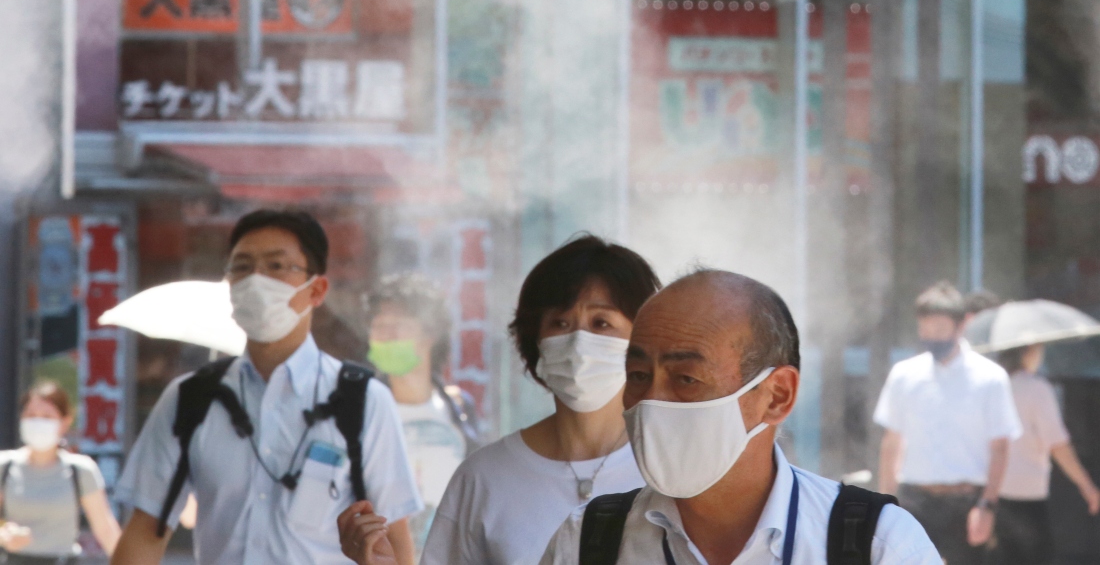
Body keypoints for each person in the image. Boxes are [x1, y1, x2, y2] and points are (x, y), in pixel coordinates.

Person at [540, 269, 940, 564]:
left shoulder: (878, 545)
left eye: (686, 378)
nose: (650, 401)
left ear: (777, 396)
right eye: (638, 375)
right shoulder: (587, 542)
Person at [112, 209, 422, 565]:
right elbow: (145, 533)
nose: (256, 281)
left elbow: (393, 539)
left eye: (276, 266)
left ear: (316, 289)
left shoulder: (364, 401)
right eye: (242, 267)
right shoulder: (189, 399)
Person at [338, 235, 660, 565]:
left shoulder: (667, 470)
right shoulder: (484, 479)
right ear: (535, 340)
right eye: (559, 323)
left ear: (643, 337)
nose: (578, 342)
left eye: (601, 323)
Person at [874, 281, 1022, 564]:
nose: (932, 336)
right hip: (914, 500)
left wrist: (987, 505)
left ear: (961, 325)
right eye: (925, 328)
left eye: (939, 328)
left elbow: (1000, 448)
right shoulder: (904, 375)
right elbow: (891, 443)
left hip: (966, 501)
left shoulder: (990, 378)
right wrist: (886, 503)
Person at [363, 273, 482, 557]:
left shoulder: (458, 408)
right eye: (379, 326)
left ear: (430, 335)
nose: (387, 336)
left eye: (399, 326)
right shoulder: (361, 409)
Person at [990, 343, 1100, 565]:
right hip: (1029, 497)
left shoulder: (991, 387)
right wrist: (1087, 486)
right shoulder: (1036, 388)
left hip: (989, 496)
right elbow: (1057, 445)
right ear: (1029, 351)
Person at [0, 382, 122, 564]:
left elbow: (106, 529)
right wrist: (4, 533)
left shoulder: (80, 470)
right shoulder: (5, 465)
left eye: (47, 417)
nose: (38, 423)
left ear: (65, 421)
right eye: (31, 416)